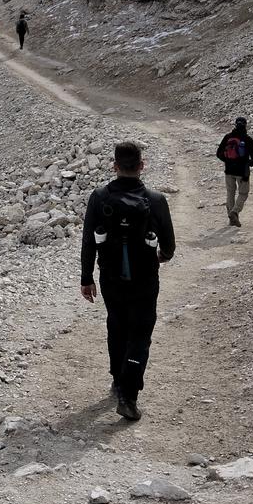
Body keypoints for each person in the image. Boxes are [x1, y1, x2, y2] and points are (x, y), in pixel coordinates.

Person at [80, 141, 176, 422]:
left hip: (110, 277)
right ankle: (128, 394)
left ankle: (117, 378)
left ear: (115, 166)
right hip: (145, 278)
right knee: (141, 333)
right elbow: (169, 245)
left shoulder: (99, 197)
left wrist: (87, 278)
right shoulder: (156, 200)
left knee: (116, 323)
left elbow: (89, 242)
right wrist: (161, 256)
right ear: (141, 166)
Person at [216, 116, 253, 227]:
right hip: (242, 172)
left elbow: (218, 153)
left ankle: (232, 218)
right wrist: (248, 164)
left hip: (229, 170)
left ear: (235, 125)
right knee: (243, 193)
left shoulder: (228, 137)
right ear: (245, 125)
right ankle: (234, 212)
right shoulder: (248, 139)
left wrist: (228, 161)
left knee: (230, 193)